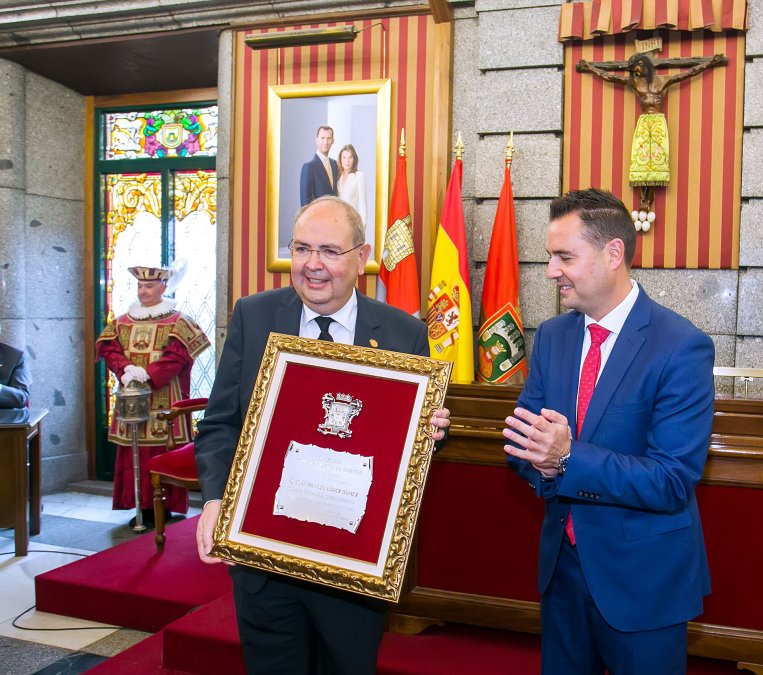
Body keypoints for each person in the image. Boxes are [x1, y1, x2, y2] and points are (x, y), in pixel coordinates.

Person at [194, 195, 451, 674]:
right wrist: (215, 501)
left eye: (330, 251)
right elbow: (219, 425)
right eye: (302, 248)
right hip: (263, 561)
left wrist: (426, 437)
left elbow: (400, 459)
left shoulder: (402, 334)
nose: (313, 265)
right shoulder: (254, 316)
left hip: (351, 571)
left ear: (362, 256)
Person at [503, 188, 716, 675]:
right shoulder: (554, 336)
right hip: (563, 573)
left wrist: (566, 457)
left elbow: (671, 480)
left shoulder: (681, 347)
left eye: (564, 257)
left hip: (643, 581)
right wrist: (539, 459)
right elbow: (521, 442)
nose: (551, 271)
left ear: (613, 253)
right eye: (550, 257)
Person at [96, 266, 210, 527]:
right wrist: (125, 369)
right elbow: (108, 348)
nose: (143, 291)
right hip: (132, 399)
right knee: (131, 452)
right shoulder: (123, 321)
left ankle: (165, 508)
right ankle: (138, 506)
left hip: (164, 400)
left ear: (163, 288)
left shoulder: (178, 322)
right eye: (139, 286)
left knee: (161, 450)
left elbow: (178, 357)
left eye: (148, 286)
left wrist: (147, 375)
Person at [576, 53, 726, 189]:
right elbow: (609, 77)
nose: (636, 72)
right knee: (641, 156)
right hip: (644, 122)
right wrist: (590, 68)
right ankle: (644, 194)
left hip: (658, 123)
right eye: (634, 70)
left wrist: (709, 63)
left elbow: (688, 73)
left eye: (638, 68)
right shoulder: (635, 83)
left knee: (658, 156)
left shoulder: (663, 80)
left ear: (645, 66)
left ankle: (650, 190)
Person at [300, 125, 339, 207]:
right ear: (316, 140)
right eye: (322, 138)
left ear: (333, 141)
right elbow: (305, 202)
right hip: (318, 218)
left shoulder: (335, 164)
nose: (325, 142)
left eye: (328, 138)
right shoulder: (309, 167)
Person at [336, 142, 368, 225]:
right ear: (340, 159)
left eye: (350, 157)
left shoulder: (359, 176)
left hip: (352, 224)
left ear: (354, 159)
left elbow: (362, 205)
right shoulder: (337, 177)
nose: (347, 161)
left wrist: (362, 228)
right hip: (338, 223)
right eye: (344, 157)